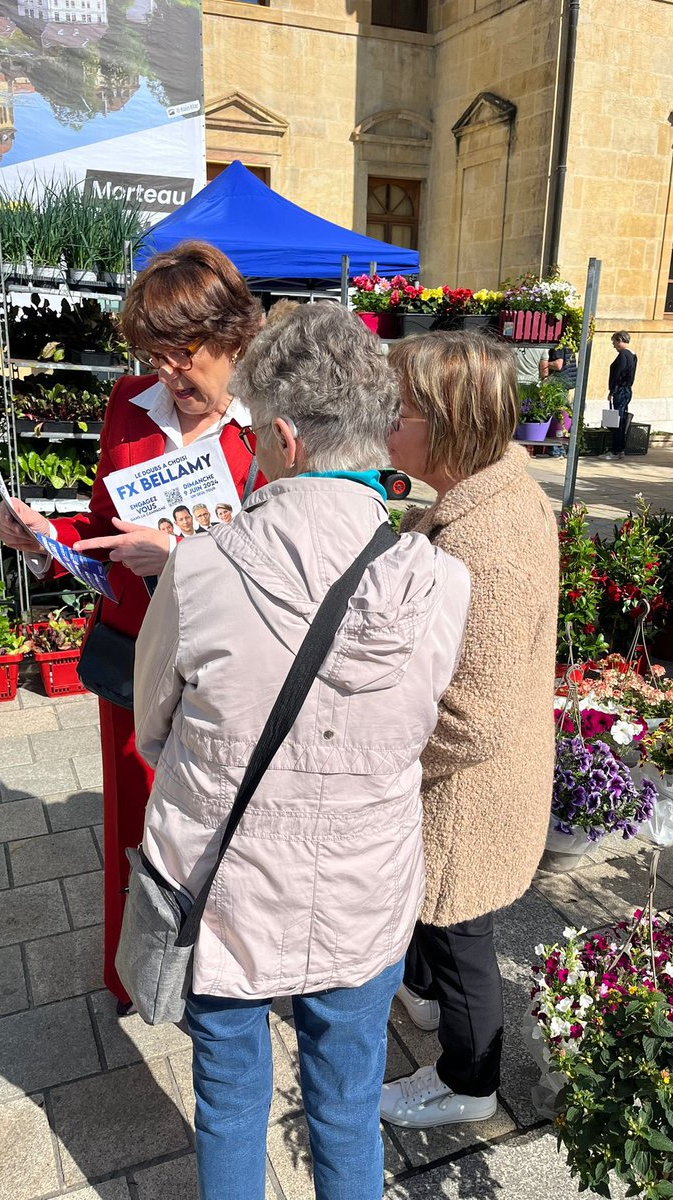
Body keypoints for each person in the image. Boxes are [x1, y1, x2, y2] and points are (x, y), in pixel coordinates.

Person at [133, 304, 470, 1200]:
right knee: (347, 1105)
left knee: (232, 1100)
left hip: (224, 888)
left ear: (281, 436)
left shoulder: (199, 570)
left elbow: (152, 728)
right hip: (366, 890)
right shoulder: (441, 582)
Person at [0, 240, 265, 1011]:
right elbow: (104, 523)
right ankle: (136, 972)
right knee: (138, 819)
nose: (170, 375)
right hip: (135, 656)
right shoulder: (128, 404)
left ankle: (223, 977)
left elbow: (285, 556)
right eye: (155, 355)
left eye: (185, 353)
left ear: (234, 337)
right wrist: (49, 537)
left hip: (229, 668)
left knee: (220, 825)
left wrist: (177, 554)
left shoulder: (270, 425)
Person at [381, 331, 558, 1129]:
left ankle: (468, 1081)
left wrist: (380, 756)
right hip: (469, 778)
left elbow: (473, 716)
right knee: (439, 922)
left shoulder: (491, 539)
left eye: (401, 409)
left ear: (449, 425)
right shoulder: (486, 498)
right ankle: (422, 1003)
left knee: (461, 934)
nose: (387, 417)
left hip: (468, 790)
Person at [538, 342, 577, 458]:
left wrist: (543, 363)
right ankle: (562, 450)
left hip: (560, 382)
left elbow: (558, 365)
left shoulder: (558, 346)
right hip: (566, 380)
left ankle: (555, 450)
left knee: (557, 415)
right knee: (564, 415)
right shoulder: (568, 342)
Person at [606, 330, 638, 459]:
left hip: (621, 390)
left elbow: (618, 374)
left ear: (620, 340)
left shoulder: (624, 355)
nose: (613, 345)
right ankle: (620, 449)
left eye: (614, 342)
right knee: (621, 418)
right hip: (626, 390)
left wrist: (612, 391)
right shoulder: (632, 354)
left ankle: (617, 450)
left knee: (617, 420)